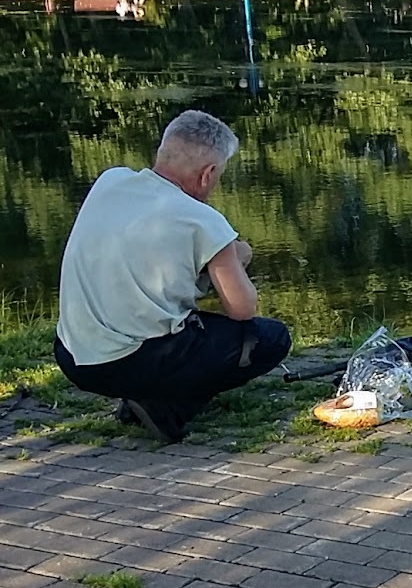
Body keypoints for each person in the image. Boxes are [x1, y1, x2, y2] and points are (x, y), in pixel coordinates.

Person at [53, 111, 292, 443]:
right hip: (131, 361)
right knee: (271, 338)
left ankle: (140, 395)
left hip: (72, 355)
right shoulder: (203, 221)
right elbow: (242, 309)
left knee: (175, 325)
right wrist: (235, 257)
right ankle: (167, 406)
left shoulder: (109, 181)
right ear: (208, 174)